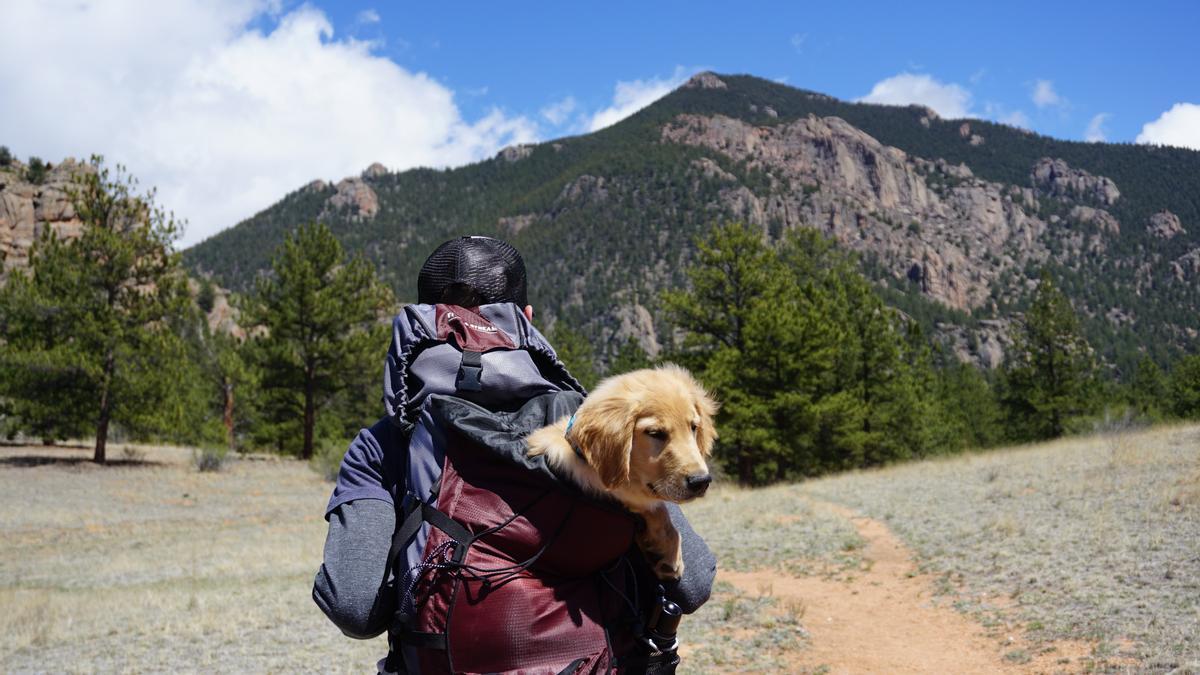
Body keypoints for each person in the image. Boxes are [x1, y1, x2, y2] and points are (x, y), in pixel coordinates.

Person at [313, 236, 716, 673]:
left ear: (428, 318)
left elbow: (354, 607)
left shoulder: (383, 444)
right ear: (527, 318)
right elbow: (690, 586)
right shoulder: (586, 427)